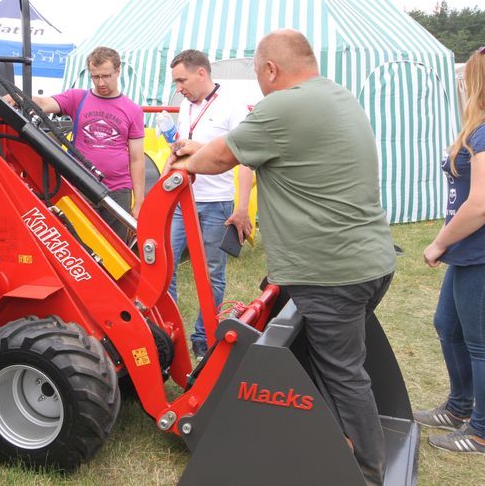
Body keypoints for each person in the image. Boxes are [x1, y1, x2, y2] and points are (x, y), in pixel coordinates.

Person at [166, 29, 396, 485]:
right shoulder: (335, 96)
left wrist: (183, 165)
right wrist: (204, 148)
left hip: (330, 271)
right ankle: (340, 440)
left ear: (270, 69)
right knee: (331, 360)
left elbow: (219, 158)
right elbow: (256, 146)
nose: (260, 83)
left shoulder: (283, 105)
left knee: (342, 371)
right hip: (370, 260)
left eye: (258, 74)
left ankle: (366, 469)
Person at [413, 47, 485, 455]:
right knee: (447, 326)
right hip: (467, 250)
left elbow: (479, 203)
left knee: (478, 342)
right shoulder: (476, 130)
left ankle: (480, 430)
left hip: (478, 251)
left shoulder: (483, 132)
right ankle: (459, 407)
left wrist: (441, 240)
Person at [165, 49, 254, 360]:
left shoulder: (233, 106)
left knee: (211, 272)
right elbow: (182, 146)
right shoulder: (186, 106)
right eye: (176, 82)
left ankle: (203, 339)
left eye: (182, 80)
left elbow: (245, 158)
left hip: (216, 203)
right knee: (165, 265)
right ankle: (168, 333)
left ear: (201, 73)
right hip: (181, 200)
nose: (179, 88)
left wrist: (242, 209)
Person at [13, 46, 145, 241]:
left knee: (117, 249)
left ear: (118, 71)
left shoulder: (132, 110)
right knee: (81, 246)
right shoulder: (77, 98)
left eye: (106, 76)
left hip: (118, 190)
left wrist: (139, 201)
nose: (101, 82)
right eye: (95, 76)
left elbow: (137, 159)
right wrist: (15, 97)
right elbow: (42, 103)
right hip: (82, 186)